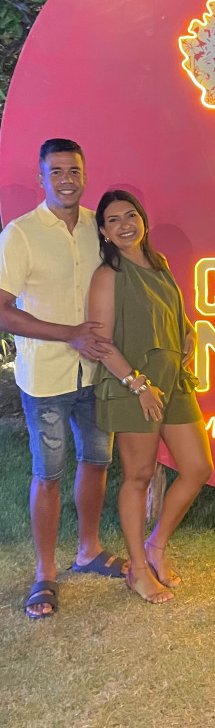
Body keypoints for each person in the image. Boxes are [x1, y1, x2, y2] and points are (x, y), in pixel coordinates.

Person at [0, 138, 125, 620]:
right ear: (42, 178)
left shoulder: (100, 227)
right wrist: (68, 334)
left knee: (96, 461)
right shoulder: (21, 234)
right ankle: (45, 572)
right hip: (46, 376)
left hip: (96, 371)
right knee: (48, 474)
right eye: (56, 172)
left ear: (85, 175)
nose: (67, 179)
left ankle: (88, 550)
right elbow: (3, 310)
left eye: (74, 170)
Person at [88, 190, 212, 604]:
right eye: (113, 220)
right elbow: (101, 343)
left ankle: (156, 545)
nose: (124, 225)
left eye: (130, 216)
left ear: (142, 219)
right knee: (138, 476)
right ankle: (138, 571)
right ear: (103, 231)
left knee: (197, 467)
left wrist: (188, 331)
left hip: (172, 381)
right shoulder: (108, 275)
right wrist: (138, 385)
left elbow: (171, 313)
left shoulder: (160, 265)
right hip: (133, 387)